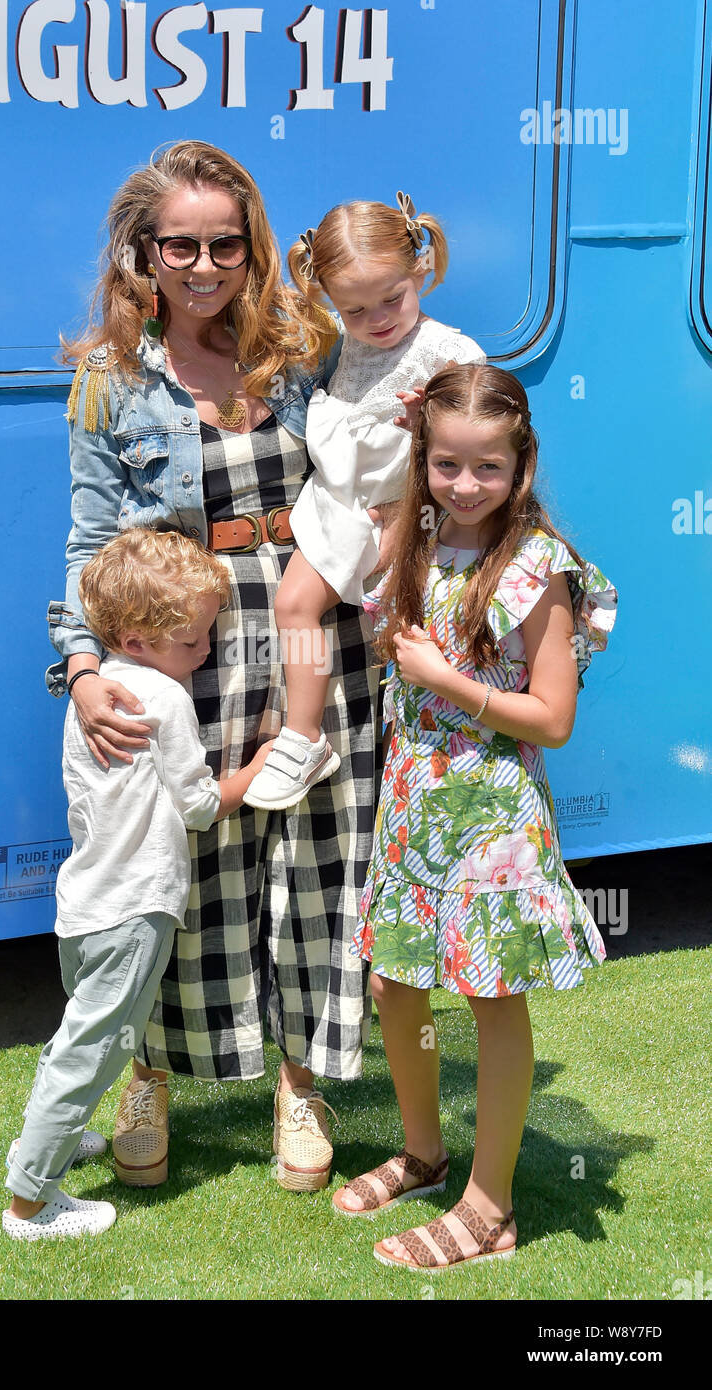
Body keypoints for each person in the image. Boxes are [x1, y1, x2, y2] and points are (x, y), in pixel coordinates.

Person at [46, 141, 380, 1194]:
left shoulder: (305, 346)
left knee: (321, 865)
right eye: (177, 244)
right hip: (179, 647)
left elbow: (386, 453)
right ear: (143, 251)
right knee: (177, 873)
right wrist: (83, 667)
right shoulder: (109, 379)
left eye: (223, 243)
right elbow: (89, 539)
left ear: (252, 245)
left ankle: (299, 1083)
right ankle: (149, 1072)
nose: (201, 265)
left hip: (313, 630)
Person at [331, 365, 617, 1269]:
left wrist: (448, 684)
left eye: (486, 467)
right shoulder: (413, 539)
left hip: (491, 813)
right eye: (446, 463)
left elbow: (555, 719)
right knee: (395, 984)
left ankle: (490, 1209)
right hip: (415, 797)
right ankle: (425, 1153)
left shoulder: (539, 568)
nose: (464, 485)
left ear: (521, 463)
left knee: (491, 997)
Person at [5, 529, 277, 1239]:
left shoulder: (88, 696)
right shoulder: (163, 697)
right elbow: (197, 805)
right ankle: (31, 1201)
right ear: (136, 636)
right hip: (135, 909)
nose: (208, 652)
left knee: (76, 1040)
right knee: (92, 1051)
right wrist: (261, 766)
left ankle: (52, 1142)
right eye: (193, 641)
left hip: (85, 903)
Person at [243, 193, 485, 812]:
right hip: (338, 501)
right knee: (293, 604)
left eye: (392, 298)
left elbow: (483, 449)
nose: (377, 319)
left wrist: (426, 433)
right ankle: (303, 736)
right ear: (330, 300)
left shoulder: (451, 353)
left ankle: (439, 770)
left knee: (405, 644)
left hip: (406, 512)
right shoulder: (342, 344)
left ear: (421, 272)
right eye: (354, 309)